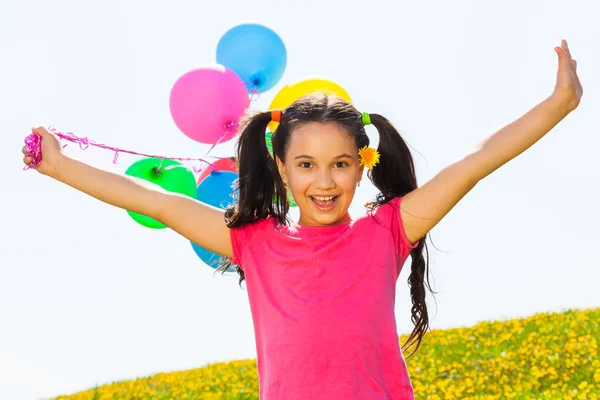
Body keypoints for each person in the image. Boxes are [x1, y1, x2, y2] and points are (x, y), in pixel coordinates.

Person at [22, 39, 582, 399]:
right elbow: (156, 202)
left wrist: (558, 104)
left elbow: (476, 163)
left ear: (362, 167)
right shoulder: (254, 243)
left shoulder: (388, 231)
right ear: (283, 172)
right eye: (307, 165)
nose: (325, 180)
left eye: (340, 164)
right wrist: (58, 166)